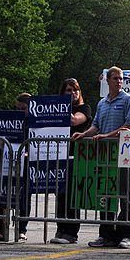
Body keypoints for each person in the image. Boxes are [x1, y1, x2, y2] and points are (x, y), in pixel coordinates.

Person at [76, 66, 130, 249]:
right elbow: (95, 125)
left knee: (126, 196)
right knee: (105, 195)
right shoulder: (102, 103)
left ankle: (129, 235)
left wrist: (107, 135)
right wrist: (84, 135)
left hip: (123, 154)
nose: (119, 81)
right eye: (115, 78)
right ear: (107, 80)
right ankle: (106, 235)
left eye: (121, 79)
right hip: (104, 157)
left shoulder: (128, 100)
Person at [50, 79, 91, 245]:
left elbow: (75, 121)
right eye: (68, 91)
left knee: (72, 194)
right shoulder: (59, 108)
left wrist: (57, 107)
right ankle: (61, 228)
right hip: (58, 156)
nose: (73, 93)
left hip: (76, 156)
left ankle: (71, 232)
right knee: (60, 194)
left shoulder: (84, 108)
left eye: (75, 90)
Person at [0, 92, 32, 242]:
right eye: (18, 108)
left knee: (24, 197)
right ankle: (1, 230)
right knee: (4, 195)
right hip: (8, 162)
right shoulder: (10, 121)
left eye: (23, 108)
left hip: (26, 164)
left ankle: (22, 230)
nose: (20, 112)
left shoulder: (34, 124)